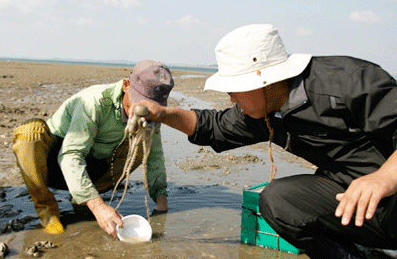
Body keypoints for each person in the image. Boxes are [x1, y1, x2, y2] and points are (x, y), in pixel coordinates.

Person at [131, 24, 397, 258]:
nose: (232, 99)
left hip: (391, 197)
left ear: (262, 79)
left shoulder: (350, 81)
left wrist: (383, 178)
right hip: (352, 202)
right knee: (278, 200)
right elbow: (212, 127)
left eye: (234, 90)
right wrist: (163, 114)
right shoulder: (264, 112)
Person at [12, 59, 174, 238]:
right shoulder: (94, 101)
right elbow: (70, 155)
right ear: (126, 85)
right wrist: (98, 206)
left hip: (95, 168)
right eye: (136, 101)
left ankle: (82, 200)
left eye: (149, 106)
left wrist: (162, 204)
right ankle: (47, 208)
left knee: (145, 142)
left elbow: (154, 157)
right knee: (29, 132)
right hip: (53, 164)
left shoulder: (151, 116)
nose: (138, 109)